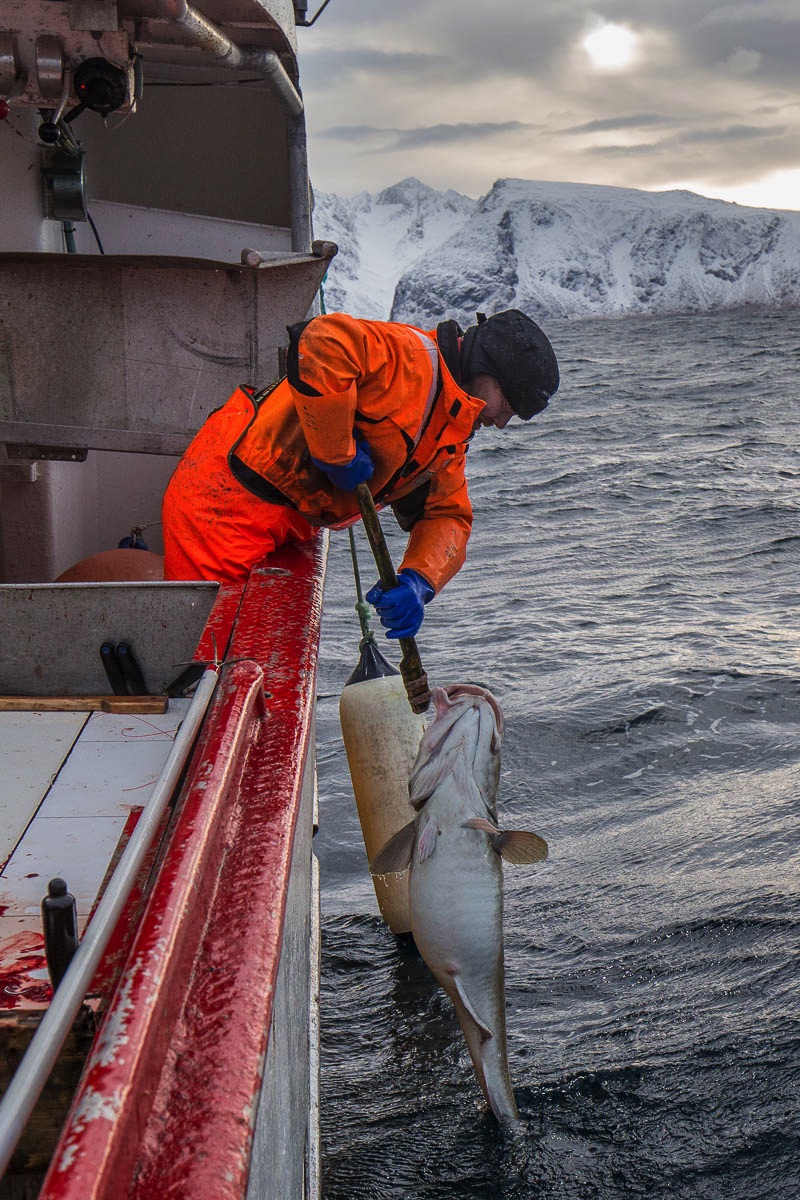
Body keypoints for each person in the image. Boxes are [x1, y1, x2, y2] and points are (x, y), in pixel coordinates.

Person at [162, 308, 560, 638]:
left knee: (246, 652)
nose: (502, 422)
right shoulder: (408, 355)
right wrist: (336, 451)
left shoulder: (452, 428)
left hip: (289, 524)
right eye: (507, 404)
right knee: (204, 654)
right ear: (486, 367)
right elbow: (321, 341)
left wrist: (418, 583)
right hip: (224, 503)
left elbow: (447, 515)